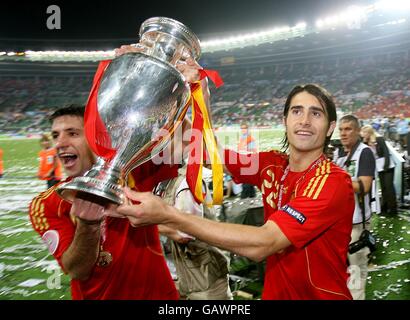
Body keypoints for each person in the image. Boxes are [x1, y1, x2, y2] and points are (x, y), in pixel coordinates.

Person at [116, 83, 355, 300]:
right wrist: (196, 97)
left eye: (316, 113)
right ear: (285, 120)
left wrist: (170, 216)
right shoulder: (272, 164)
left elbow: (264, 243)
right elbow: (214, 155)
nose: (304, 120)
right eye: (296, 111)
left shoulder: (332, 182)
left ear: (330, 127)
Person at [28, 105, 179, 300]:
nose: (60, 143)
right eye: (55, 135)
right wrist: (88, 225)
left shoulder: (136, 173)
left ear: (96, 138)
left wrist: (185, 88)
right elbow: (76, 270)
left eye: (72, 133)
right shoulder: (45, 203)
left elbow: (186, 141)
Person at [156, 164, 232, 300]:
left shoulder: (185, 182)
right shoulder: (159, 183)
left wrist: (148, 224)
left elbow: (184, 234)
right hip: (180, 276)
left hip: (203, 278)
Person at [334, 115, 378, 300]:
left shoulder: (365, 152)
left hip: (356, 225)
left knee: (356, 275)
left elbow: (365, 186)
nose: (343, 133)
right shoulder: (340, 155)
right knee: (342, 273)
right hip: (340, 224)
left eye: (348, 129)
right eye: (341, 129)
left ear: (358, 131)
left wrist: (336, 179)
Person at [361, 125, 397, 215]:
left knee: (389, 187)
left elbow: (386, 152)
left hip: (387, 165)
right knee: (383, 188)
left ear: (369, 133)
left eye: (364, 133)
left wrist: (386, 165)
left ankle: (393, 209)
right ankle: (385, 208)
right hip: (379, 167)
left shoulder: (379, 139)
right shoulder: (365, 143)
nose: (363, 135)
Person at [237, 123, 256, 199]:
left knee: (246, 182)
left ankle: (245, 197)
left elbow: (252, 152)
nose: (243, 130)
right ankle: (252, 196)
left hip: (248, 162)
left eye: (244, 128)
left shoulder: (250, 139)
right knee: (248, 183)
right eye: (241, 128)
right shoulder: (242, 138)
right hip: (243, 162)